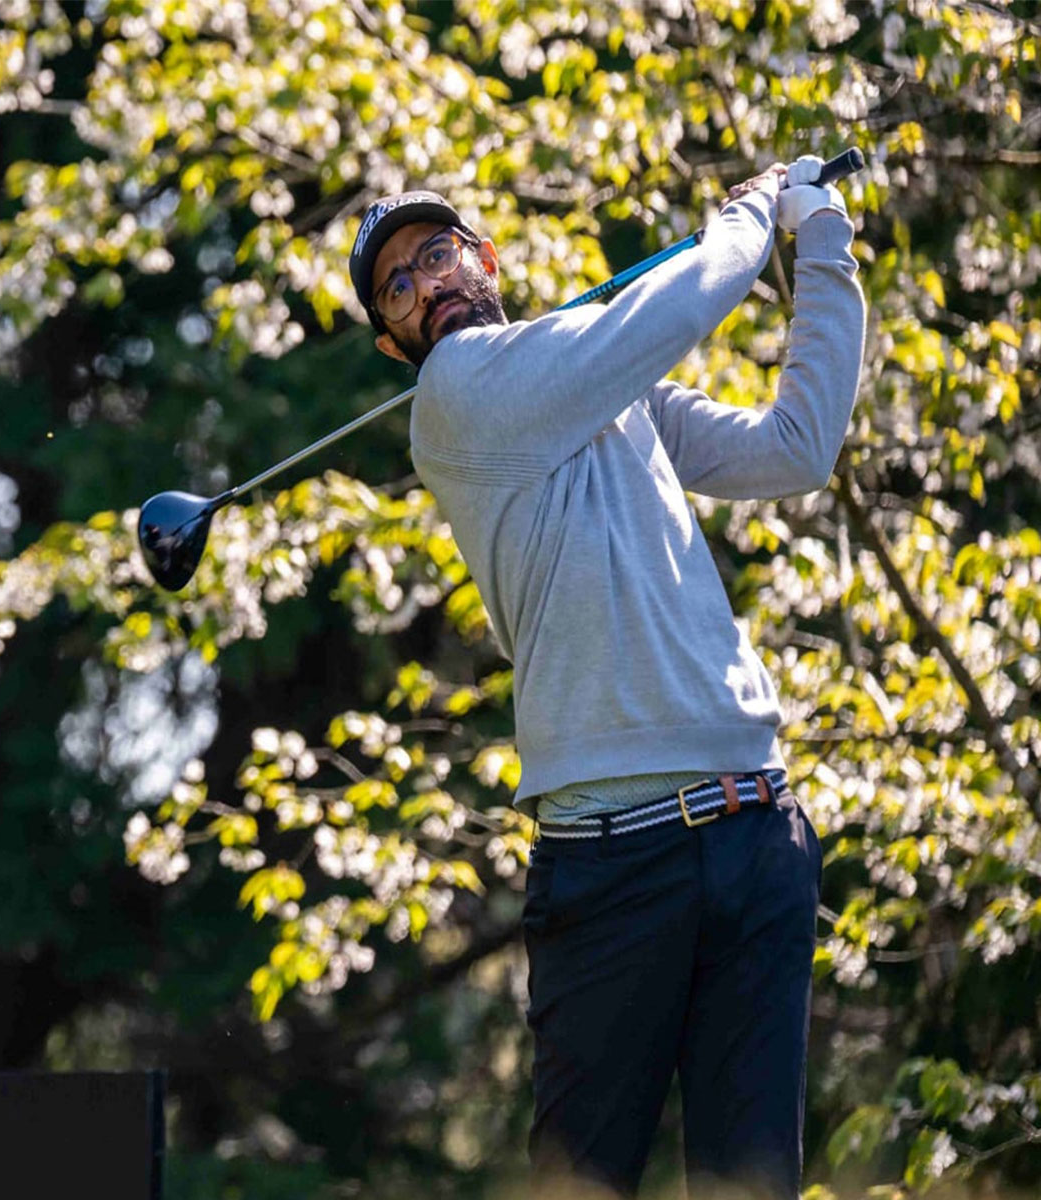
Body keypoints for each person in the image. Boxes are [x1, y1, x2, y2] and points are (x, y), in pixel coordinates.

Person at [347, 158, 866, 1198]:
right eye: (398, 284)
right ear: (392, 340)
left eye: (438, 253)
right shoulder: (457, 396)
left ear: (486, 260)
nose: (428, 282)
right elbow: (678, 303)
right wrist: (756, 207)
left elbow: (796, 450)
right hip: (612, 867)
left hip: (757, 828)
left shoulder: (604, 389)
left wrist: (826, 246)